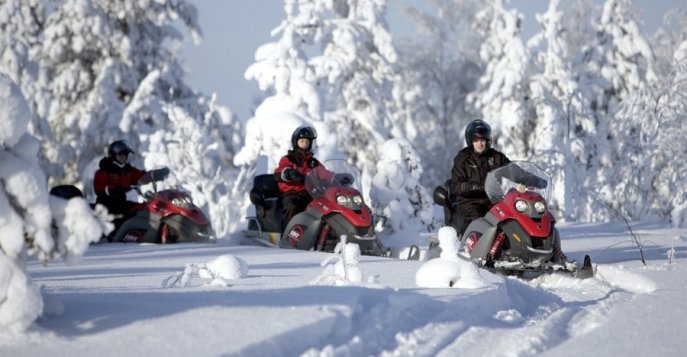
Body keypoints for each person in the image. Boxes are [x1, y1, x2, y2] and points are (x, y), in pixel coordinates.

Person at [449, 119, 510, 236]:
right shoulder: (462, 160)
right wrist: (473, 186)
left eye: (482, 140)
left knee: (509, 219)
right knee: (479, 222)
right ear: (470, 141)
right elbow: (456, 186)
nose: (480, 144)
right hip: (470, 202)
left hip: (492, 200)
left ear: (487, 141)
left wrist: (530, 179)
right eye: (476, 140)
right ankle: (472, 249)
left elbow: (512, 169)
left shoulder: (496, 157)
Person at [93, 140, 170, 222]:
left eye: (124, 156)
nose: (122, 159)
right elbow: (99, 189)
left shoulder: (127, 170)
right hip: (106, 207)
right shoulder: (104, 171)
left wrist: (156, 174)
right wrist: (113, 189)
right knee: (126, 218)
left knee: (142, 209)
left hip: (121, 204)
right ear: (113, 156)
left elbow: (142, 176)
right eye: (120, 156)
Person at [274, 126, 325, 230]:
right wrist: (288, 173)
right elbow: (279, 171)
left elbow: (325, 174)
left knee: (324, 207)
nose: (305, 144)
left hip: (309, 194)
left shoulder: (313, 163)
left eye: (307, 141)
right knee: (292, 205)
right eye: (302, 141)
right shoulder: (289, 159)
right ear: (296, 142)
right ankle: (287, 236)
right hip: (291, 194)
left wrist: (337, 177)